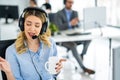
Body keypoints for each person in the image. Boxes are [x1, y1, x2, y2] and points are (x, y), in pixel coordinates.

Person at [3, 7, 65, 80]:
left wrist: (57, 69)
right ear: (22, 25)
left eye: (37, 26)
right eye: (28, 24)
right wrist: (8, 72)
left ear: (43, 28)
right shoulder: (12, 51)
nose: (32, 29)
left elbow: (53, 74)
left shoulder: (50, 43)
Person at [54, 0, 95, 75]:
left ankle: (82, 55)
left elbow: (77, 26)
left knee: (88, 38)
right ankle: (83, 68)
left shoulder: (75, 13)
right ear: (65, 3)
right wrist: (70, 23)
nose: (71, 4)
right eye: (69, 2)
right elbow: (59, 27)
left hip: (74, 35)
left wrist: (78, 23)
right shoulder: (59, 14)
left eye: (72, 2)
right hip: (63, 38)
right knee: (72, 45)